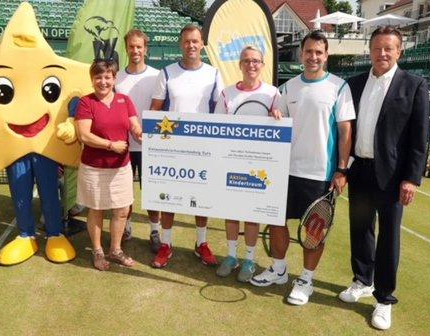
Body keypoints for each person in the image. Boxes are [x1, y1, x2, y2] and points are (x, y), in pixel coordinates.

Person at [250, 31, 355, 307]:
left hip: (319, 174)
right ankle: (279, 269)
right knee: (276, 221)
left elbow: (345, 132)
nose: (313, 57)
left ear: (326, 54)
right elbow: (279, 121)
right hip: (284, 171)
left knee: (314, 232)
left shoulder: (339, 87)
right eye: (309, 52)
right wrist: (276, 115)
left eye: (319, 52)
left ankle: (306, 279)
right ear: (301, 54)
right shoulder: (287, 88)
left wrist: (342, 170)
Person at [338, 26, 429, 330]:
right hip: (360, 169)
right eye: (377, 48)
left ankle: (384, 298)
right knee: (360, 228)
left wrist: (411, 179)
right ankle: (363, 279)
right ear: (370, 50)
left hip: (392, 176)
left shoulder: (414, 85)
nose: (382, 54)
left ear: (399, 51)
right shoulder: (355, 83)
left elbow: (420, 139)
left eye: (389, 48)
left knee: (389, 236)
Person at [150, 24, 224, 268]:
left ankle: (201, 243)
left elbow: (221, 112)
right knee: (169, 198)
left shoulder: (213, 74)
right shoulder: (167, 73)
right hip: (172, 149)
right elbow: (155, 111)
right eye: (186, 41)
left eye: (195, 41)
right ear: (180, 44)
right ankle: (166, 244)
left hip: (203, 149)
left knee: (201, 197)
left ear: (202, 44)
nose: (191, 46)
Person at [214, 45, 280, 282]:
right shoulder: (227, 94)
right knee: (231, 212)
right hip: (232, 162)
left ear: (262, 64)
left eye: (255, 61)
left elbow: (281, 127)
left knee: (251, 213)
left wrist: (278, 117)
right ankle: (231, 256)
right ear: (240, 65)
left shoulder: (273, 94)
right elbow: (217, 128)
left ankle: (250, 259)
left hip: (260, 167)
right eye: (246, 61)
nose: (251, 65)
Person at [75, 59, 142, 270]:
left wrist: (144, 135)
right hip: (94, 168)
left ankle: (115, 250)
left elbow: (134, 127)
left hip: (121, 168)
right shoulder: (86, 102)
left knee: (122, 210)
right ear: (92, 79)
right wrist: (110, 145)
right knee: (97, 210)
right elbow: (83, 135)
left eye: (107, 77)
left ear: (114, 78)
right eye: (98, 77)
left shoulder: (125, 100)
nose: (103, 82)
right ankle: (97, 251)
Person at [115, 29, 161, 253]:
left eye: (139, 46)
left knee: (152, 192)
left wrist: (145, 131)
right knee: (125, 192)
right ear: (126, 48)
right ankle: (126, 227)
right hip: (123, 146)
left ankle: (155, 231)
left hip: (149, 146)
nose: (135, 50)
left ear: (146, 48)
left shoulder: (156, 75)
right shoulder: (117, 78)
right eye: (131, 46)